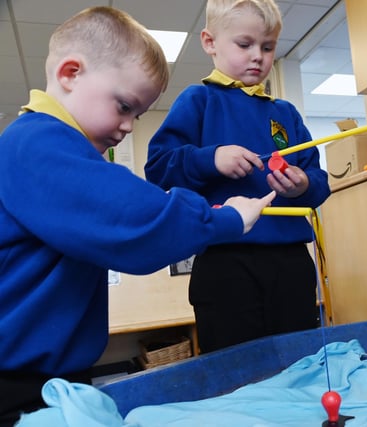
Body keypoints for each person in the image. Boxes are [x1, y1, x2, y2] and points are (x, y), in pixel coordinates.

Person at [0, 7, 275, 426]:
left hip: (47, 378)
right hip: (16, 385)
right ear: (71, 74)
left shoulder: (41, 146)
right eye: (124, 106)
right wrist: (227, 219)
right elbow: (139, 219)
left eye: (137, 116)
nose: (129, 127)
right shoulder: (37, 143)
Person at [144, 0, 331, 353]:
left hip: (291, 261)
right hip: (225, 260)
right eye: (244, 45)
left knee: (300, 363)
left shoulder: (285, 112)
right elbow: (158, 167)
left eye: (268, 46)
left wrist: (303, 185)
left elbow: (318, 180)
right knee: (235, 369)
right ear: (210, 42)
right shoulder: (198, 100)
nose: (257, 56)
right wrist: (209, 159)